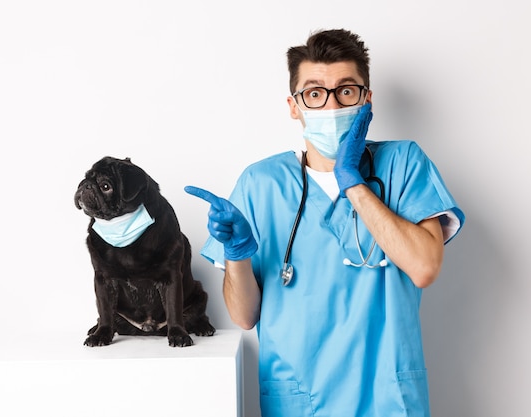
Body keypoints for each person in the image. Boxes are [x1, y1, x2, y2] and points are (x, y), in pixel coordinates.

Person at [185, 28, 464, 417]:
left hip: (388, 402)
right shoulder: (260, 183)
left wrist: (354, 183)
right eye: (315, 93)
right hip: (301, 401)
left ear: (367, 99)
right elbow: (244, 316)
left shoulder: (403, 164)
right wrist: (237, 255)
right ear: (294, 106)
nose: (331, 107)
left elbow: (424, 267)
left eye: (346, 91)